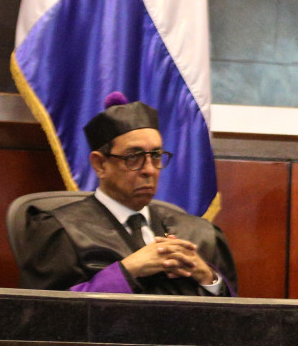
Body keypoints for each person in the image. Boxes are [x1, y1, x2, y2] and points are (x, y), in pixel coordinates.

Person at [20, 95, 237, 295]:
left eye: (156, 155)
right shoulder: (62, 231)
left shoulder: (199, 234)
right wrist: (128, 270)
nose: (149, 170)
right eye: (133, 157)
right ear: (100, 164)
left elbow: (233, 314)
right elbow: (46, 313)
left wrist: (207, 277)